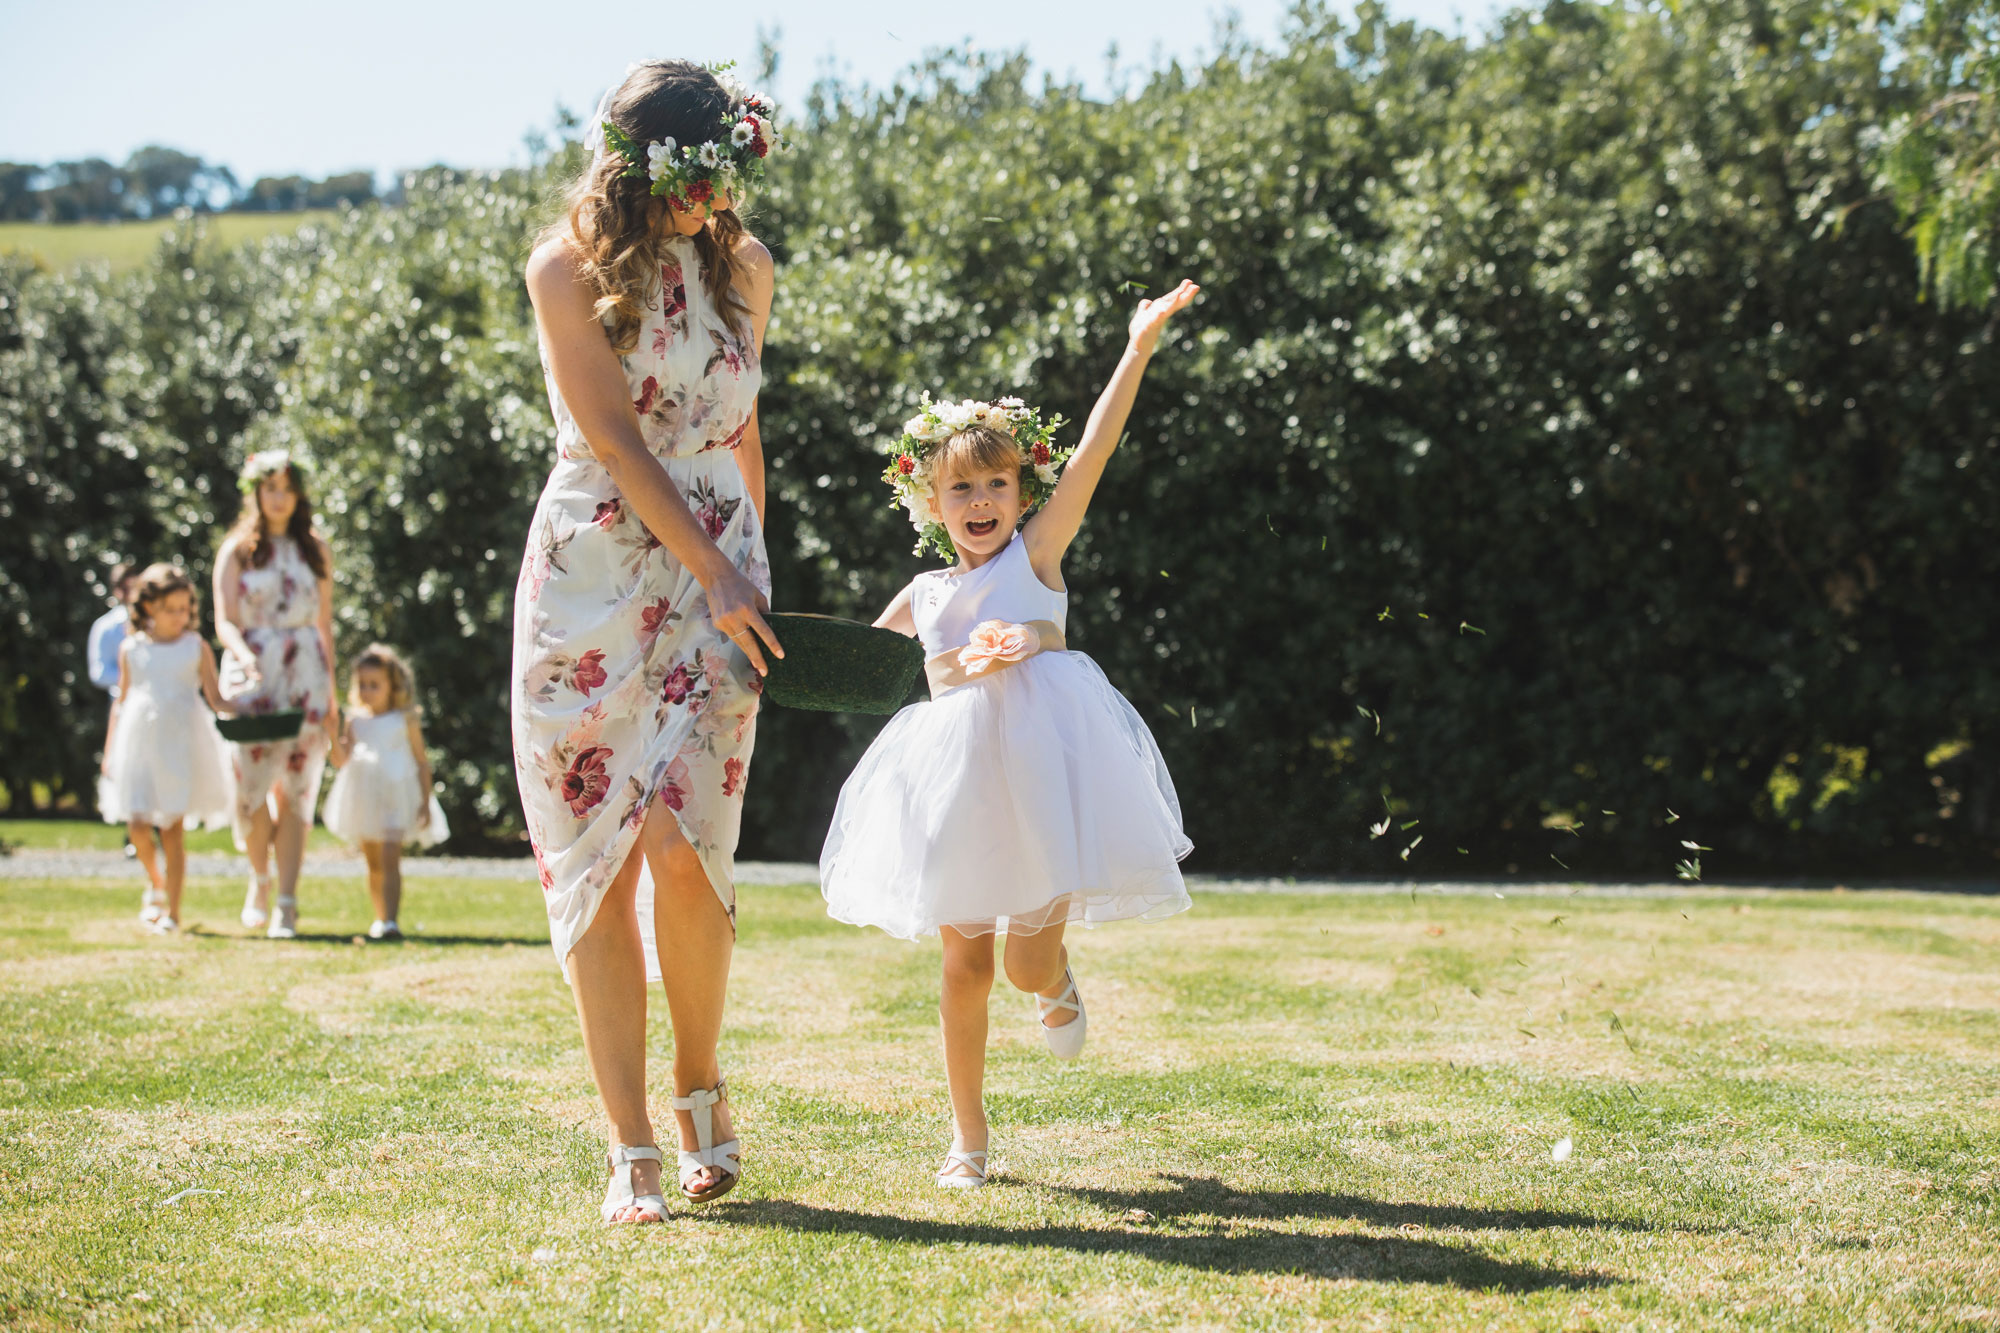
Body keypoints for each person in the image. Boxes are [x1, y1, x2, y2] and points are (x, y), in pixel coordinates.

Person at [819, 280, 1203, 1189]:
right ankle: (969, 1136)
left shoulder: (1037, 554)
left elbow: (1097, 453)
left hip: (1042, 769)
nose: (982, 499)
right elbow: (859, 669)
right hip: (955, 781)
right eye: (963, 487)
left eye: (998, 483)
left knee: (1027, 958)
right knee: (963, 959)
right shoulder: (926, 594)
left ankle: (1057, 980)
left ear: (1021, 489)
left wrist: (1136, 348)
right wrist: (755, 663)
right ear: (931, 499)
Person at [511, 59, 783, 1224]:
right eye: (699, 177)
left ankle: (699, 1088)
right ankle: (629, 1149)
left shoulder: (748, 265)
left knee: (688, 849)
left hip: (718, 573)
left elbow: (744, 423)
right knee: (604, 864)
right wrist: (715, 561)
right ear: (644, 169)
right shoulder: (564, 269)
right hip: (593, 577)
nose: (715, 202)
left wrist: (751, 563)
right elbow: (616, 439)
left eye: (727, 176)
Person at [214, 449, 338, 940]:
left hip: (306, 673)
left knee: (297, 793)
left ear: (298, 493)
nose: (279, 497)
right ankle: (259, 880)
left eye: (286, 488)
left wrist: (330, 693)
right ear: (256, 493)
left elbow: (324, 622)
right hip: (254, 673)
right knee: (249, 795)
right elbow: (224, 618)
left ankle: (286, 902)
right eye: (270, 488)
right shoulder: (238, 549)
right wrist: (242, 654)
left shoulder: (315, 548)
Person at [98, 563, 237, 933]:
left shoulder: (196, 647)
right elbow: (122, 700)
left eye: (185, 609)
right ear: (148, 609)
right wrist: (110, 750)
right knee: (139, 827)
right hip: (139, 744)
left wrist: (249, 704)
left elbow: (216, 697)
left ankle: (173, 912)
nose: (181, 617)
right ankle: (156, 883)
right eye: (171, 609)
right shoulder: (131, 649)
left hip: (180, 745)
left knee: (172, 830)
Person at [324, 643, 447, 941]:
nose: (367, 690)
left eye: (374, 685)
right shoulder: (355, 719)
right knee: (373, 863)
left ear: (392, 685)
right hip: (365, 798)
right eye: (362, 684)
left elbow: (420, 761)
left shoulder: (405, 719)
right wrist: (331, 733)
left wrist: (425, 802)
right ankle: (379, 918)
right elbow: (342, 759)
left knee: (391, 858)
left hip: (396, 795)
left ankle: (391, 921)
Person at [88, 562, 143, 866]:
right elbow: (99, 672)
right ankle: (132, 834)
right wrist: (130, 678)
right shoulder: (107, 627)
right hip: (123, 706)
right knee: (128, 768)